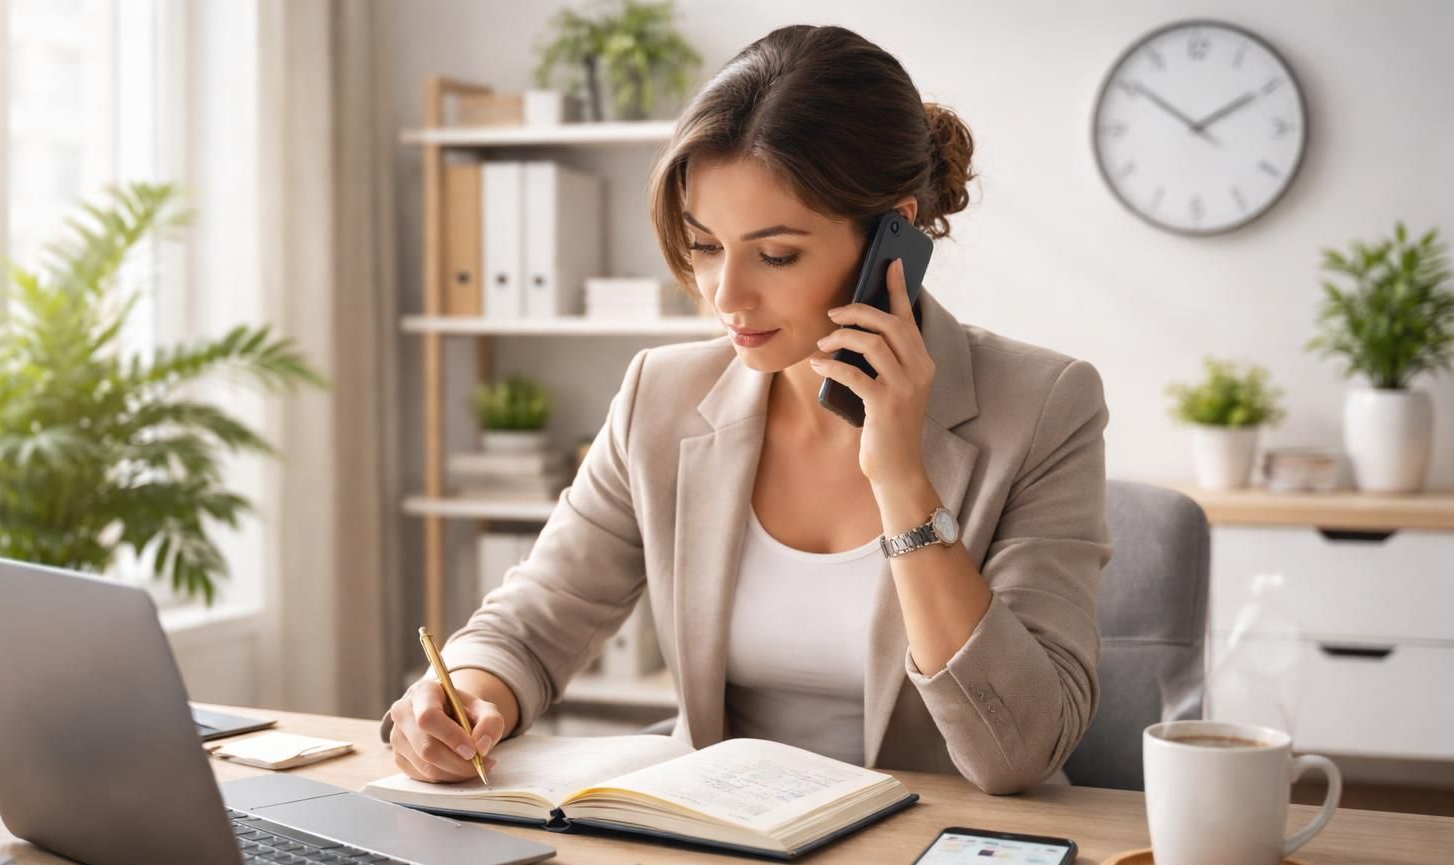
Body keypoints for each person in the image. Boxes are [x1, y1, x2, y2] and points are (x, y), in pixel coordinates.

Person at [384, 24, 1111, 795]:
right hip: (725, 850)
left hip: (946, 854)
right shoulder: (661, 397)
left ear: (890, 237)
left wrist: (901, 478)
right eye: (703, 246)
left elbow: (1021, 749)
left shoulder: (1042, 407)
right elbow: (535, 621)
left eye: (776, 254)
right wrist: (465, 691)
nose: (724, 296)